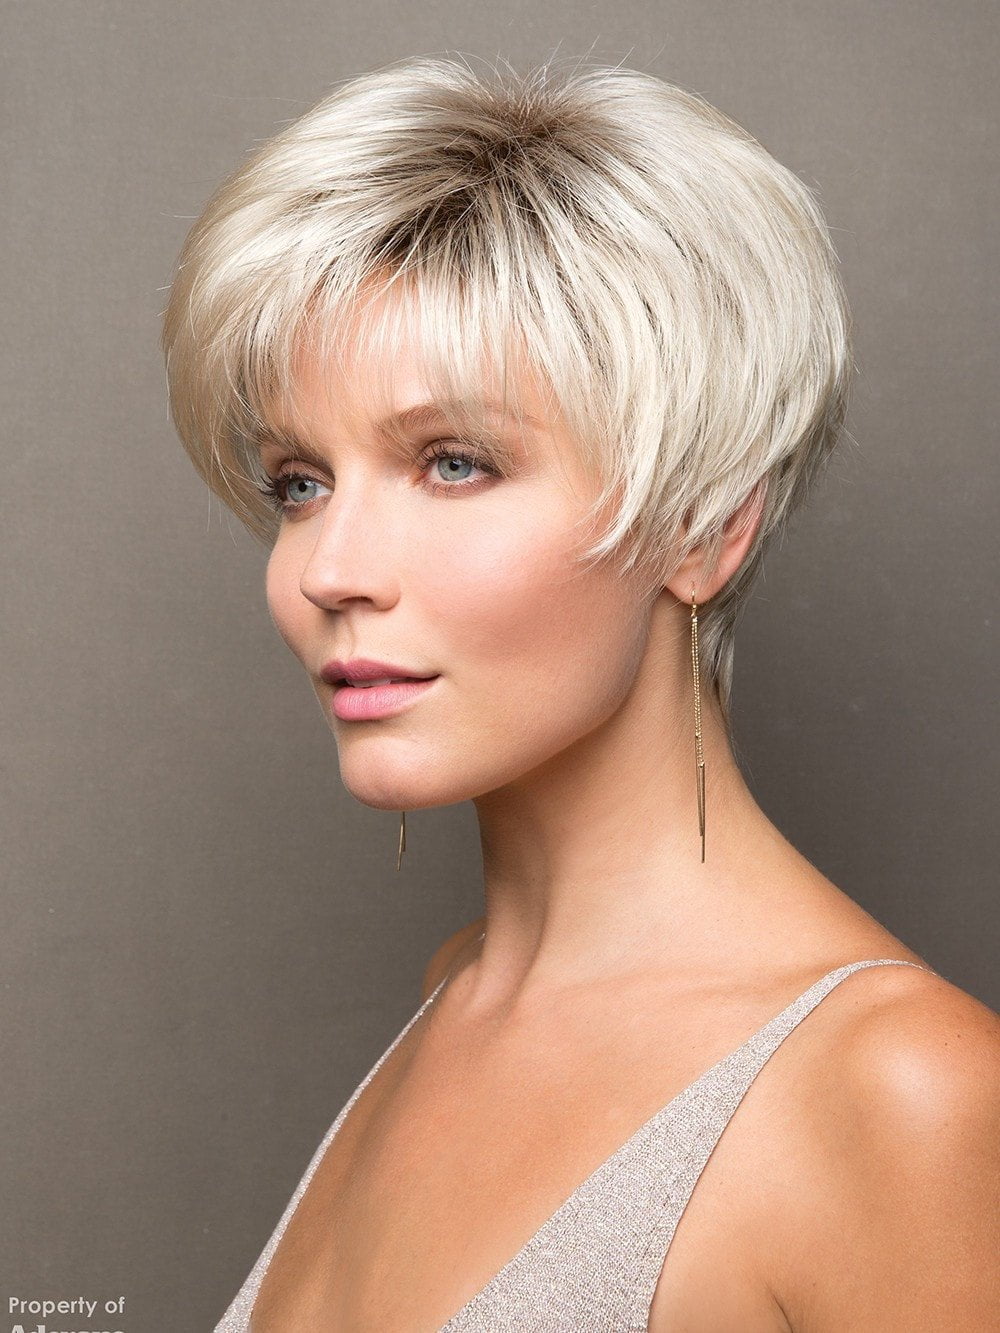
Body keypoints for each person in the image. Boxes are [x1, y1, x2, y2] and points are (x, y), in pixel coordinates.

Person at [161, 54, 1000, 1332]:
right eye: (301, 482)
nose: (328, 570)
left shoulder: (898, 1095)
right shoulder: (458, 993)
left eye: (452, 462)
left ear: (701, 526)